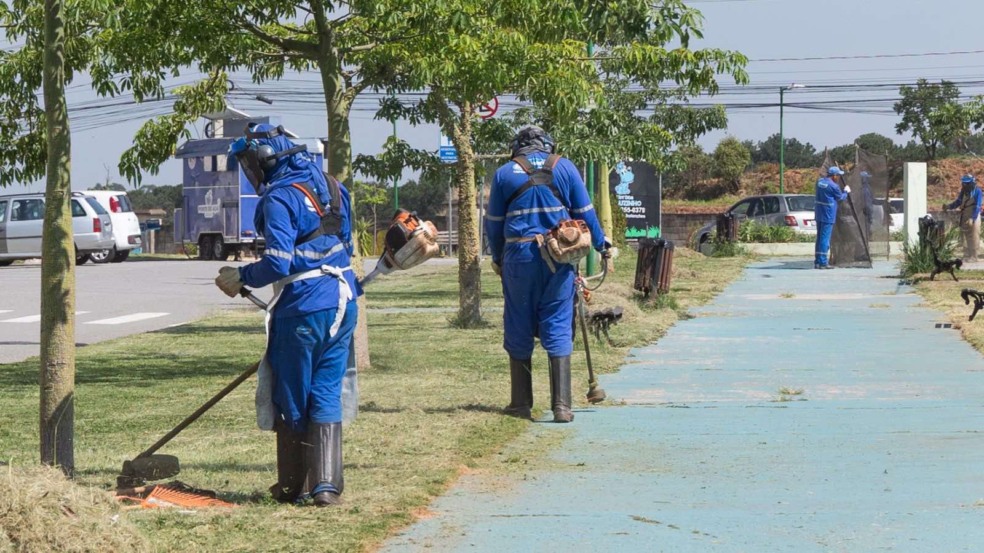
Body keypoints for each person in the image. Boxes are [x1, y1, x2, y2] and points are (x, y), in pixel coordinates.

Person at [214, 123, 361, 507]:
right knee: (326, 388)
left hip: (304, 308)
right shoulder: (332, 186)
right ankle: (326, 486)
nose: (250, 171)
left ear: (265, 159)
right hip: (343, 301)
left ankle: (294, 485)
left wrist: (242, 276)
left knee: (292, 392)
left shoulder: (279, 198)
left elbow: (278, 262)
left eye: (249, 162)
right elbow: (345, 243)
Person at [484, 126, 610, 423]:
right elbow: (586, 213)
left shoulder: (504, 174)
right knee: (558, 319)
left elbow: (493, 223)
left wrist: (499, 259)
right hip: (559, 255)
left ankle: (521, 403)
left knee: (518, 319)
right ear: (548, 145)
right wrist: (602, 245)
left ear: (517, 147)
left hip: (519, 256)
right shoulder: (565, 168)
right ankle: (562, 407)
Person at [814, 166, 851, 269]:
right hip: (828, 214)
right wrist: (846, 192)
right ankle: (823, 262)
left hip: (819, 213)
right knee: (825, 238)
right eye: (838, 175)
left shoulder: (819, 182)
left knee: (819, 237)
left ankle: (817, 261)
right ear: (834, 175)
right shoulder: (834, 186)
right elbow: (840, 198)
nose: (838, 177)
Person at [943, 174, 982, 262]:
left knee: (974, 235)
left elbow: (978, 206)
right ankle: (967, 254)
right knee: (965, 235)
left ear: (971, 183)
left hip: (974, 215)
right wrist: (949, 206)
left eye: (966, 183)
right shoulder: (963, 191)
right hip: (965, 214)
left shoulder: (977, 191)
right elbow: (958, 202)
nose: (964, 185)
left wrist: (972, 218)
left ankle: (974, 256)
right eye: (963, 183)